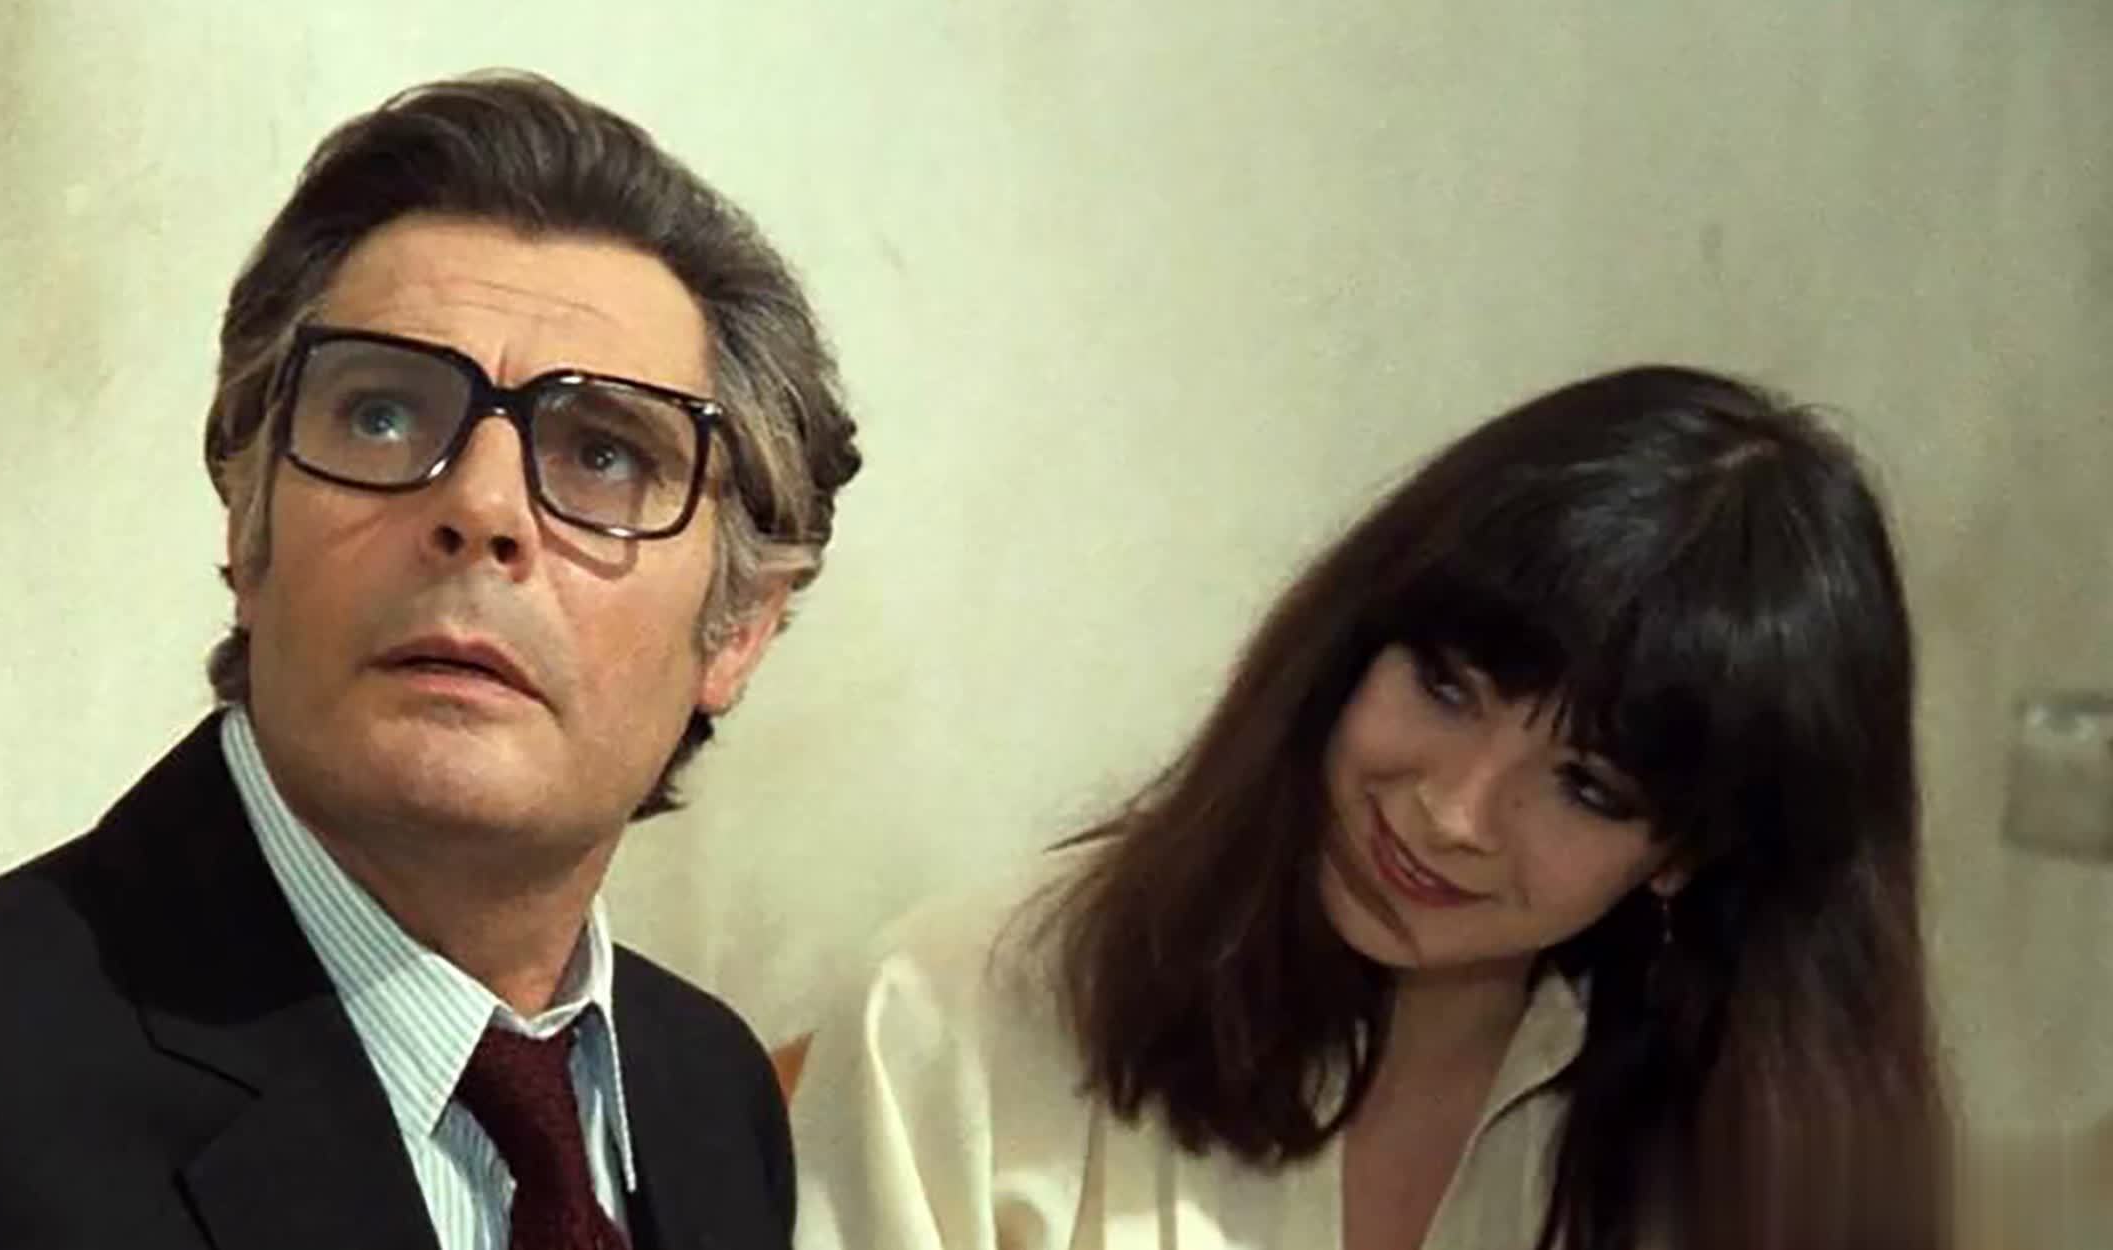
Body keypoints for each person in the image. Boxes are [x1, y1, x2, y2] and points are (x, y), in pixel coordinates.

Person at [0, 71, 860, 1250]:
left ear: (740, 623)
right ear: (248, 525)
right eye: (382, 415)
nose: (480, 506)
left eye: (604, 454)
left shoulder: (707, 1091)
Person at [789, 367, 1948, 1250]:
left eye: (1585, 785)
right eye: (1444, 685)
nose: (1453, 810)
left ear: (1684, 850)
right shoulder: (958, 1013)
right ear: (1355, 640)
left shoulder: (1748, 1151)